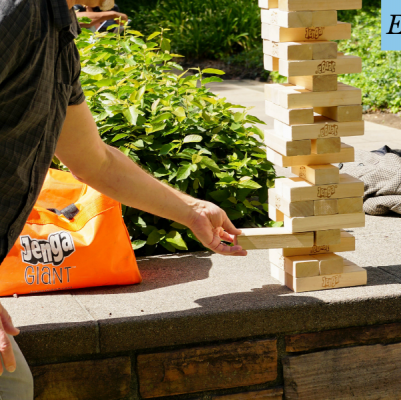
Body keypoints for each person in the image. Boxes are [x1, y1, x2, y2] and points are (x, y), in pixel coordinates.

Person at [0, 0, 247, 397]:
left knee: (13, 383)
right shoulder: (18, 11)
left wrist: (191, 209)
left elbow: (95, 162)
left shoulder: (55, 31)